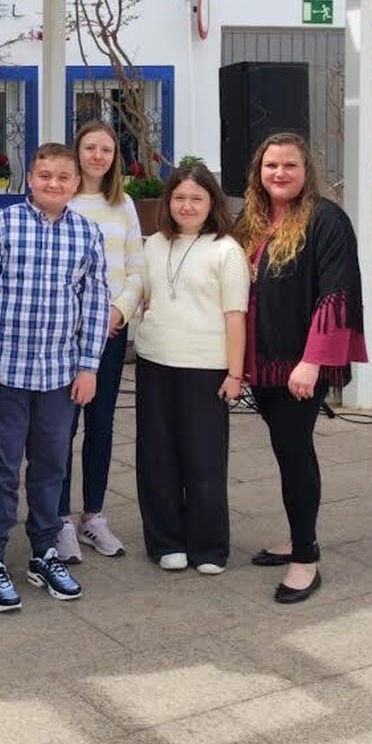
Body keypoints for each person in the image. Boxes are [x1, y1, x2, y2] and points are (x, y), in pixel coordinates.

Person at [0, 143, 109, 612]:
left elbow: (93, 306)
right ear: (30, 178)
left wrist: (89, 367)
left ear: (75, 183)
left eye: (63, 178)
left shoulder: (87, 235)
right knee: (1, 469)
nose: (53, 184)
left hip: (59, 376)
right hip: (5, 375)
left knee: (51, 467)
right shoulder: (4, 225)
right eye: (44, 175)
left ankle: (44, 551)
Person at [233, 132, 368, 604]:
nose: (280, 173)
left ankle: (305, 558)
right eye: (271, 165)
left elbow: (336, 292)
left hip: (299, 368)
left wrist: (312, 361)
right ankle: (296, 534)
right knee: (285, 450)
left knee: (294, 453)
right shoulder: (251, 219)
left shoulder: (327, 220)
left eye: (290, 165)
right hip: (264, 363)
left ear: (305, 170)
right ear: (259, 170)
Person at [131, 160, 248, 574]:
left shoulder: (226, 250)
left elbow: (236, 316)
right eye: (179, 197)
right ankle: (166, 540)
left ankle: (209, 545)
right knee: (157, 456)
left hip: (206, 367)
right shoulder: (153, 244)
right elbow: (140, 294)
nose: (186, 205)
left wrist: (235, 375)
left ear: (211, 202)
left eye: (196, 198)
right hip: (155, 360)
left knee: (204, 460)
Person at [56, 119, 144, 563]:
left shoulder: (123, 204)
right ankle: (60, 521)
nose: (97, 156)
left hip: (110, 330)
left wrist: (119, 310)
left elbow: (136, 268)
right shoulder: (61, 200)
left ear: (114, 157)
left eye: (106, 149)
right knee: (62, 426)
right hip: (64, 334)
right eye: (90, 147)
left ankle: (93, 515)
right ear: (78, 151)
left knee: (101, 425)